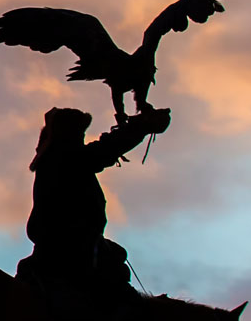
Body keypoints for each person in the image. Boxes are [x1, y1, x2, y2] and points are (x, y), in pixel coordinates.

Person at [18, 104, 170, 295]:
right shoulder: (66, 158)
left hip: (63, 248)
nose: (82, 139)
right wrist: (141, 127)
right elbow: (104, 150)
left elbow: (102, 150)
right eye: (79, 134)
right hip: (72, 251)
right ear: (68, 134)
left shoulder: (56, 160)